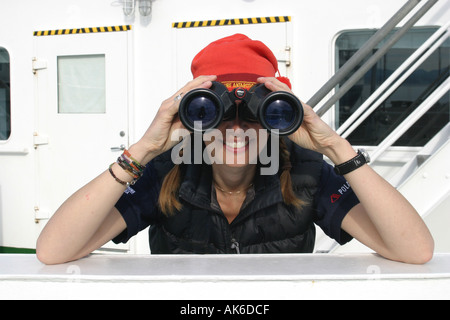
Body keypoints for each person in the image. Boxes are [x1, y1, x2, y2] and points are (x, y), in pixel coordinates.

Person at [36, 34, 434, 265]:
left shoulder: (306, 173)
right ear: (193, 118)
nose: (238, 127)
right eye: (216, 112)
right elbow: (54, 251)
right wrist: (143, 149)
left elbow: (414, 250)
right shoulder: (164, 173)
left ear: (280, 119)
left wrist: (334, 146)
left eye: (259, 112)